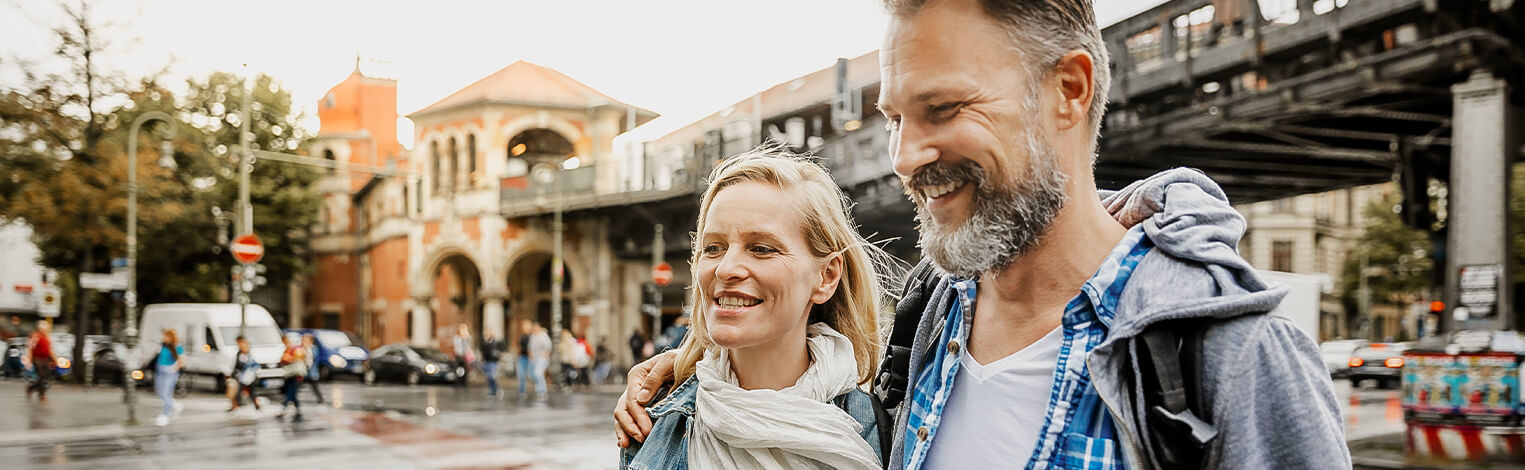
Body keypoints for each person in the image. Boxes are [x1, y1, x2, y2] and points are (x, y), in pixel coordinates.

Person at [615, 1, 1349, 469]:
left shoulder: (1233, 358)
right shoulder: (930, 317)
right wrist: (685, 372)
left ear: (1068, 90)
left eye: (941, 109)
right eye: (894, 118)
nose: (903, 156)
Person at [618, 149, 891, 469]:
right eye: (713, 248)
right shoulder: (652, 419)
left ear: (826, 277)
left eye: (761, 248)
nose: (725, 269)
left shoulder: (886, 428)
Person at [154, 328, 185, 426]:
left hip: (169, 372)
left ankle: (165, 415)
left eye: (166, 336)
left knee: (166, 393)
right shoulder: (164, 345)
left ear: (171, 337)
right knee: (160, 392)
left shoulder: (177, 346)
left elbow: (181, 361)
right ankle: (176, 406)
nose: (164, 338)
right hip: (160, 370)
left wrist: (173, 368)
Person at [227, 336, 261, 413]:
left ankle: (256, 405)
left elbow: (254, 365)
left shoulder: (250, 355)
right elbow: (236, 366)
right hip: (242, 377)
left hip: (249, 376)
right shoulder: (239, 354)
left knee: (251, 392)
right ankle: (235, 406)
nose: (240, 345)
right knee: (238, 391)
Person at [23, 321, 55, 401]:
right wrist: (29, 361)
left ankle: (31, 388)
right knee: (42, 375)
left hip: (46, 359)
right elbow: (30, 349)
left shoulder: (47, 337)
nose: (45, 330)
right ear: (39, 328)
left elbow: (50, 350)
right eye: (43, 328)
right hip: (37, 359)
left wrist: (55, 359)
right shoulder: (34, 336)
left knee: (46, 376)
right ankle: (42, 394)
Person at [278, 333, 306, 421]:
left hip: (296, 374)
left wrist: (289, 358)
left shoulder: (296, 349)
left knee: (290, 393)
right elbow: (282, 360)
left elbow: (300, 358)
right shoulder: (286, 350)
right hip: (289, 374)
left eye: (286, 341)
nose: (285, 343)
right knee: (292, 394)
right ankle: (298, 411)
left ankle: (283, 409)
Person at [527, 323, 551, 400]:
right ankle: (539, 389)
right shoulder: (532, 336)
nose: (534, 330)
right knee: (532, 374)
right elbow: (530, 347)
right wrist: (530, 356)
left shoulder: (543, 336)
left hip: (541, 358)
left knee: (538, 373)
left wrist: (544, 355)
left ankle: (542, 390)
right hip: (534, 359)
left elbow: (548, 347)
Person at [481, 330, 505, 397]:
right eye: (486, 334)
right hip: (486, 361)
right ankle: (493, 390)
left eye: (488, 334)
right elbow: (483, 352)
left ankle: (496, 389)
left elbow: (500, 349)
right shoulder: (484, 343)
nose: (487, 336)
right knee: (488, 377)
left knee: (492, 376)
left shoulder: (495, 342)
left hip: (493, 362)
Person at [302, 333, 324, 404]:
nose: (303, 342)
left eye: (306, 340)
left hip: (312, 372)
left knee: (315, 387)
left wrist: (307, 349)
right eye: (303, 340)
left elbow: (313, 357)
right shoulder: (301, 348)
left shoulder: (314, 349)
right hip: (303, 372)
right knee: (295, 386)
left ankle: (320, 398)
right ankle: (291, 398)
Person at [517, 319, 536, 395]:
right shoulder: (522, 336)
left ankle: (538, 389)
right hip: (522, 357)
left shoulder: (533, 336)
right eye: (523, 326)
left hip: (530, 358)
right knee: (521, 375)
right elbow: (520, 346)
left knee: (532, 375)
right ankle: (522, 391)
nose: (524, 327)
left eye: (526, 325)